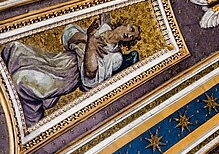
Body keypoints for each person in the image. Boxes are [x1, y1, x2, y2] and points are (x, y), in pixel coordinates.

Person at [1, 14, 140, 124]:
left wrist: (91, 42)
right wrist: (87, 37)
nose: (129, 35)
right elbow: (69, 36)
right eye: (131, 29)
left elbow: (90, 74)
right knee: (14, 50)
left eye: (132, 37)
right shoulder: (103, 27)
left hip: (70, 76)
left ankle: (24, 119)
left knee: (23, 80)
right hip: (60, 59)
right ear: (125, 23)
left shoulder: (116, 57)